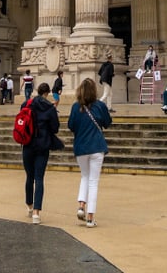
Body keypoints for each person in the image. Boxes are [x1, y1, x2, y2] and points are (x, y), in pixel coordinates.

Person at [68, 78, 112, 228]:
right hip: (97, 147)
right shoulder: (100, 106)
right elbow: (107, 122)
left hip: (81, 147)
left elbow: (71, 126)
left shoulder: (75, 107)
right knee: (93, 182)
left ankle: (81, 206)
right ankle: (90, 217)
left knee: (84, 177)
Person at [20, 82, 62, 224]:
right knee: (39, 178)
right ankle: (37, 213)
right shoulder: (50, 108)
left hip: (27, 144)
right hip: (42, 145)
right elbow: (55, 128)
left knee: (29, 176)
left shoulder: (26, 104)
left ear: (37, 91)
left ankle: (29, 205)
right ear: (48, 92)